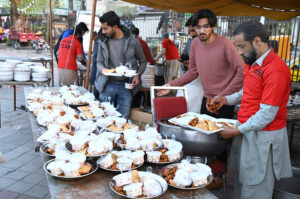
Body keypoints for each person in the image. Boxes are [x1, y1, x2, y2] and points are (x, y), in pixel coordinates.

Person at [211, 21, 292, 199]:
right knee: (242, 182)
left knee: (256, 187)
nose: (239, 52)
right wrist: (226, 99)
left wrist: (236, 130)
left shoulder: (276, 69)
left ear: (257, 41)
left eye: (241, 46)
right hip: (246, 130)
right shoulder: (252, 62)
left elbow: (267, 114)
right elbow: (245, 92)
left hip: (263, 137)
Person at [158, 9, 244, 119]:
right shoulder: (195, 44)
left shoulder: (226, 44)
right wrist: (171, 85)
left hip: (225, 101)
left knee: (222, 135)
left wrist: (224, 95)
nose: (201, 30)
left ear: (213, 27)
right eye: (198, 27)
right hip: (206, 99)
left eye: (206, 26)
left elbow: (242, 71)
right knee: (204, 133)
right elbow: (193, 72)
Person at [95, 11, 147, 119]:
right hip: (107, 84)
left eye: (105, 28)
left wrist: (137, 75)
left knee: (123, 120)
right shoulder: (102, 41)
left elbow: (143, 61)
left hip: (126, 86)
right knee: (103, 118)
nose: (103, 31)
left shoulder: (133, 41)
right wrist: (103, 70)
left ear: (115, 27)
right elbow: (98, 62)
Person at [177, 16, 204, 113]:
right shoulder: (190, 43)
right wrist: (186, 65)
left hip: (200, 86)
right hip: (188, 83)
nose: (191, 34)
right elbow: (183, 59)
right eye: (190, 32)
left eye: (193, 31)